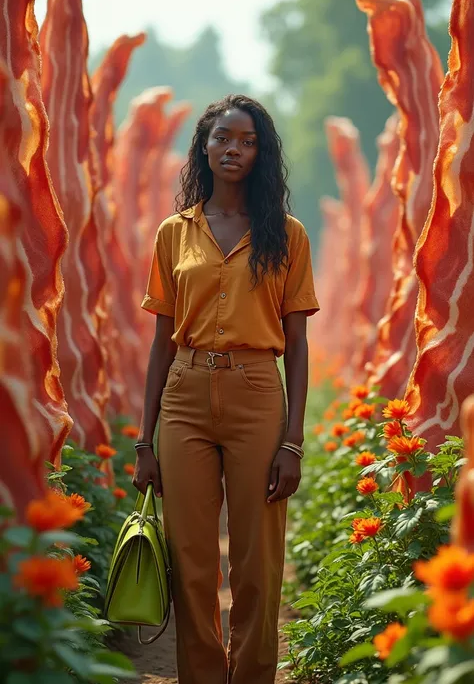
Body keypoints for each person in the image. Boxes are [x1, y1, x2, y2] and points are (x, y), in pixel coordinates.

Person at [133, 94, 319, 684]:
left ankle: (255, 675)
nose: (233, 149)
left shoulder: (287, 235)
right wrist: (144, 439)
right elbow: (162, 342)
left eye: (247, 140)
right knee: (190, 560)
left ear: (261, 153)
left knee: (257, 563)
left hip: (257, 394)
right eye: (221, 138)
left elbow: (299, 343)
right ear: (204, 148)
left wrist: (293, 441)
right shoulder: (174, 233)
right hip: (185, 398)